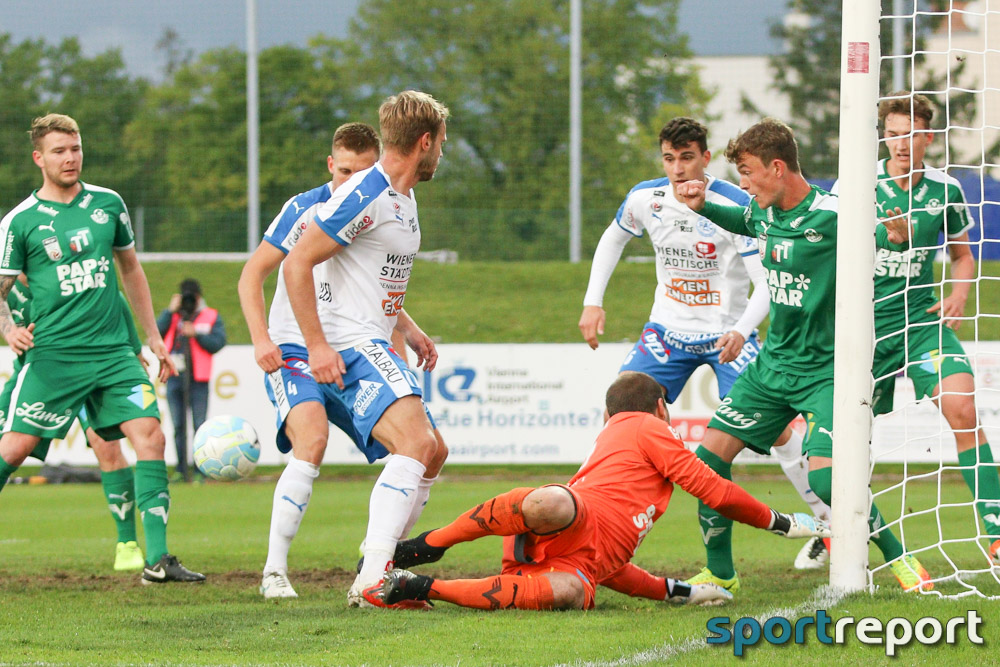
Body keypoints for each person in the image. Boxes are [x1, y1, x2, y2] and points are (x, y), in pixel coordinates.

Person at [673, 117, 932, 593]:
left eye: (748, 173)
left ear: (777, 167)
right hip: (773, 367)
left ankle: (899, 557)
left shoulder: (836, 215)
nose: (744, 184)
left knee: (831, 482)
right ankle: (720, 572)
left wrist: (896, 235)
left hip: (830, 372)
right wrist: (702, 205)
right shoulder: (764, 212)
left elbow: (888, 233)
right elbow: (741, 220)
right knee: (705, 464)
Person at [578, 117, 831, 568]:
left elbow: (767, 281)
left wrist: (740, 328)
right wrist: (592, 301)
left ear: (706, 158)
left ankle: (827, 524)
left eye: (687, 158)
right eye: (669, 159)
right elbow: (612, 239)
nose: (678, 169)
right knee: (619, 413)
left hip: (727, 333)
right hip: (666, 331)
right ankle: (597, 524)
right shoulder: (645, 198)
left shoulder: (740, 202)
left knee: (776, 430)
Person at [374, 371, 827, 610]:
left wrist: (679, 592)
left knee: (571, 591)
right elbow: (711, 488)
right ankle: (424, 547)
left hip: (574, 557)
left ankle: (417, 583)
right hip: (577, 515)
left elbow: (613, 567)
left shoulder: (616, 436)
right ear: (659, 407)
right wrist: (780, 522)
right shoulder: (647, 425)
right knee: (552, 500)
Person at [0, 113, 203, 584]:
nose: (70, 158)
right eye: (58, 151)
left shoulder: (108, 204)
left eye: (75, 148)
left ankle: (156, 559)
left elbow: (130, 270)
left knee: (149, 436)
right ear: (39, 158)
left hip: (114, 353)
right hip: (54, 356)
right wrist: (9, 329)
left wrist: (153, 337)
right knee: (15, 446)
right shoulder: (20, 221)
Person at [281, 91, 451, 609]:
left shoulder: (401, 194)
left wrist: (411, 327)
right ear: (424, 142)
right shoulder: (367, 194)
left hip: (372, 334)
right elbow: (297, 263)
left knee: (433, 451)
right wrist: (316, 345)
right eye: (442, 143)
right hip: (351, 341)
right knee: (417, 445)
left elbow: (368, 276)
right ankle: (376, 575)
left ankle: (377, 568)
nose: (442, 153)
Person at [835, 92, 1000, 563]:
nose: (901, 144)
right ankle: (837, 523)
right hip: (865, 331)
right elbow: (827, 247)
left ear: (928, 136)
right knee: (841, 436)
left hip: (922, 322)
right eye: (893, 135)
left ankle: (996, 528)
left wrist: (960, 292)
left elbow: (963, 255)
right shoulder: (857, 186)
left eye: (911, 135)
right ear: (882, 136)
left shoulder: (945, 190)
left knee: (963, 409)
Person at [239, 122, 390, 599]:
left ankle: (375, 559)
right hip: (294, 349)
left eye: (365, 172)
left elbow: (374, 289)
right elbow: (251, 276)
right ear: (331, 165)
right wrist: (261, 339)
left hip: (349, 349)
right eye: (345, 170)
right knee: (314, 437)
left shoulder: (380, 206)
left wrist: (408, 327)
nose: (353, 181)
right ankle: (274, 571)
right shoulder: (303, 208)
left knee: (408, 449)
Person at [0, 280, 148, 571]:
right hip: (35, 374)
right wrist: (12, 333)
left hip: (88, 369)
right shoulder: (9, 285)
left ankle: (127, 544)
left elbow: (114, 297)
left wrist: (135, 348)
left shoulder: (64, 274)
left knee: (107, 448)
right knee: (10, 451)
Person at [157, 278, 227, 482]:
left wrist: (196, 333)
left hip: (199, 379)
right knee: (178, 426)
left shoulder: (210, 315)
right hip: (175, 377)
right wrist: (170, 311)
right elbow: (156, 333)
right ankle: (180, 469)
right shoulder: (172, 315)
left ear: (198, 297)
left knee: (200, 426)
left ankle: (200, 471)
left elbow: (218, 343)